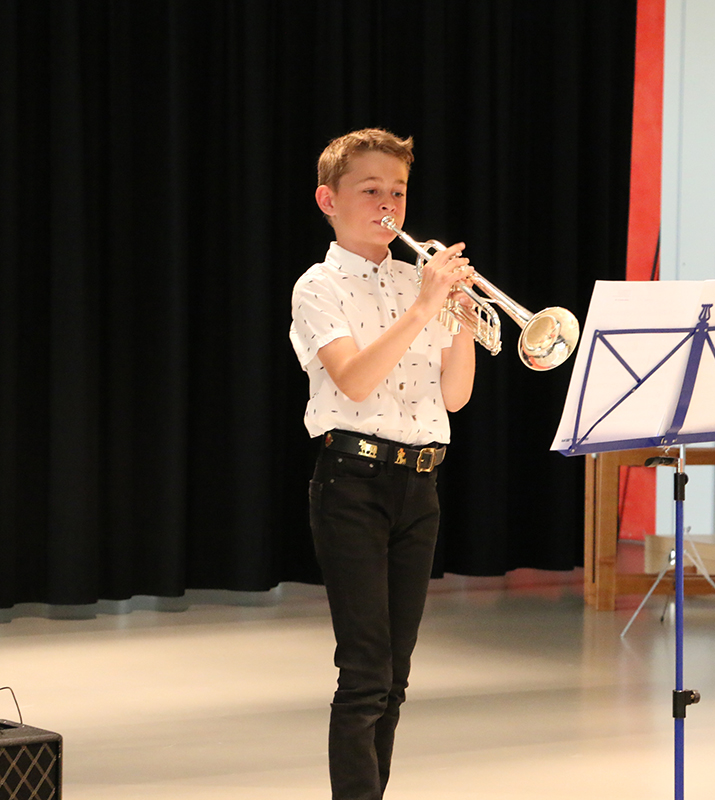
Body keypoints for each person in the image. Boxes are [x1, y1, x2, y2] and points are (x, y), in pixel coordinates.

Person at [288, 128, 477, 800]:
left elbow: (454, 396)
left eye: (397, 191)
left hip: (420, 485)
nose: (388, 204)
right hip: (353, 485)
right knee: (365, 673)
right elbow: (356, 380)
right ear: (328, 200)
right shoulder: (318, 287)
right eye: (370, 190)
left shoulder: (414, 281)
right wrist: (426, 306)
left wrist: (459, 320)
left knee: (395, 677)